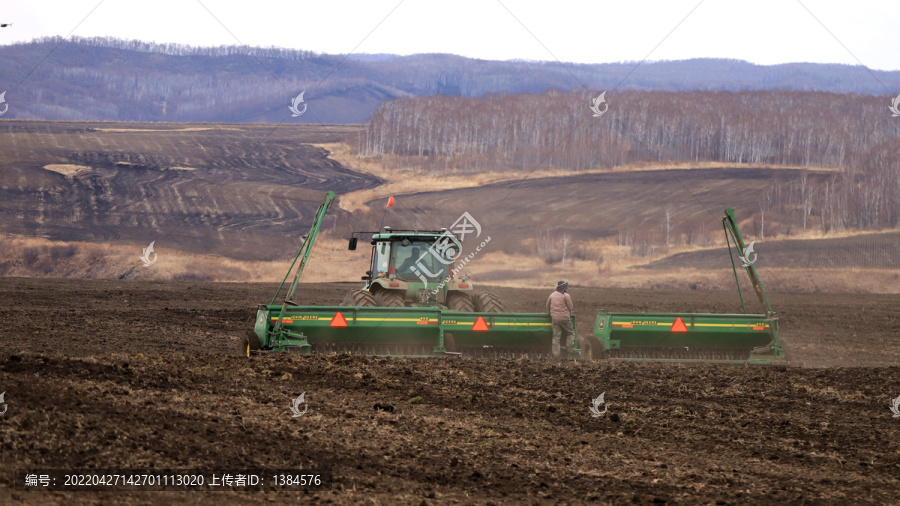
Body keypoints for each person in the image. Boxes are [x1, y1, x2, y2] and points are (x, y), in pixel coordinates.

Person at [546, 280, 575, 358]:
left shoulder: (551, 295)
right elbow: (571, 307)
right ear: (564, 287)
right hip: (565, 318)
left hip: (555, 319)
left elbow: (547, 306)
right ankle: (570, 348)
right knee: (570, 333)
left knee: (556, 337)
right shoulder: (566, 296)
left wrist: (551, 314)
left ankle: (556, 354)